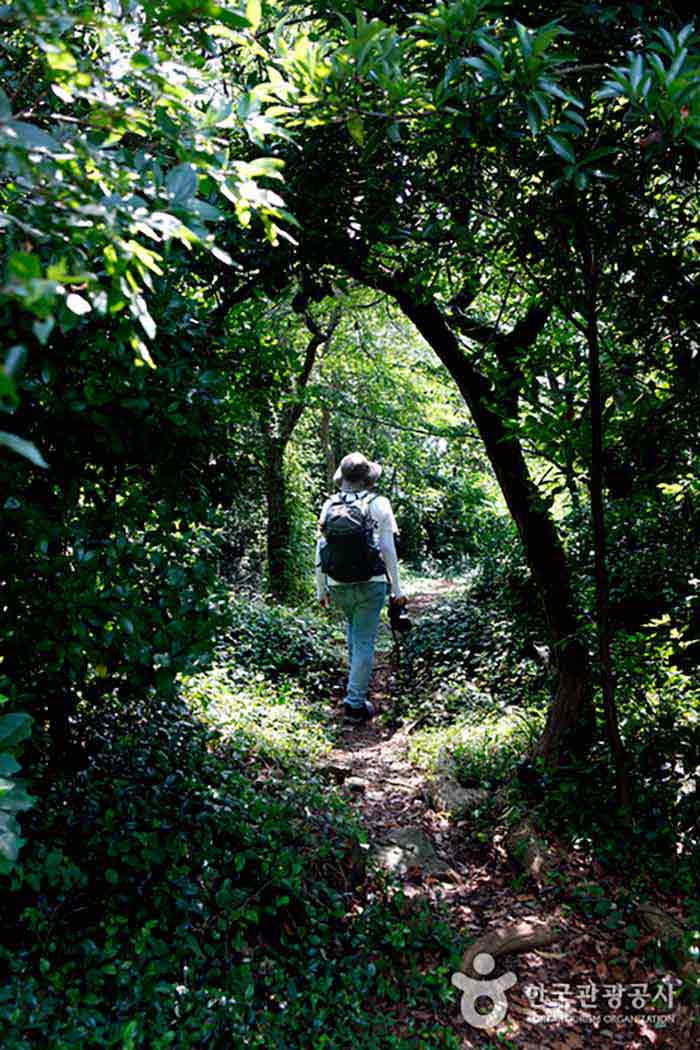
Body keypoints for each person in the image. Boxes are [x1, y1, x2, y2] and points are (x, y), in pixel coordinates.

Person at [315, 452, 407, 722]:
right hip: (371, 583)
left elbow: (321, 548)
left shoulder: (329, 504)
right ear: (367, 478)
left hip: (338, 583)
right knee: (364, 639)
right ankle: (355, 703)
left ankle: (357, 692)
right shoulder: (379, 503)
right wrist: (397, 589)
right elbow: (388, 548)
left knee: (355, 635)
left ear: (342, 478)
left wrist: (321, 589)